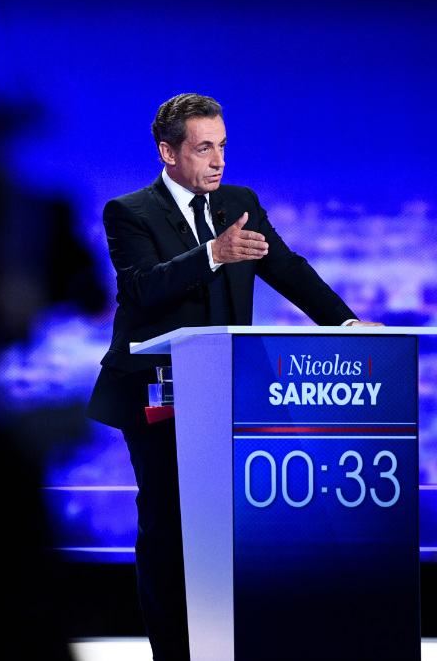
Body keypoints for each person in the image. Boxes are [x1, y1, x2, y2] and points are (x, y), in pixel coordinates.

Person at [85, 92, 381, 660]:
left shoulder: (237, 202)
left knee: (230, 532)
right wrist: (213, 254)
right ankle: (173, 652)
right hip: (154, 396)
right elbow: (143, 287)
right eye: (204, 148)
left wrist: (344, 320)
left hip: (227, 394)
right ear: (168, 153)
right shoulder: (129, 212)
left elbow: (286, 266)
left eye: (222, 146)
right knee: (171, 530)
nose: (218, 161)